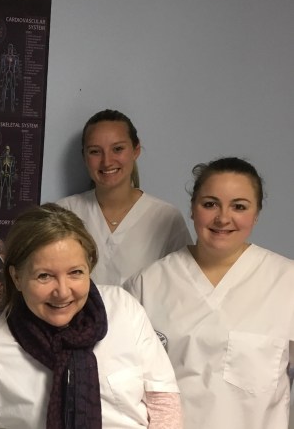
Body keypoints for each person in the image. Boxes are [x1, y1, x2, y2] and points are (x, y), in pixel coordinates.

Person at [0, 203, 183, 429]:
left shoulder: (123, 309)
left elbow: (163, 402)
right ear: (17, 277)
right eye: (44, 276)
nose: (62, 292)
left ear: (89, 267)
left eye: (75, 272)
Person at [125, 157, 294, 429]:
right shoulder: (146, 285)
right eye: (210, 204)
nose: (223, 218)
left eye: (239, 206)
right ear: (193, 209)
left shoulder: (287, 281)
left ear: (256, 214)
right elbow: (125, 383)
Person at [57, 109, 191, 285]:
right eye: (95, 151)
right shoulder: (63, 213)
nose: (107, 161)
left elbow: (182, 285)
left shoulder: (166, 218)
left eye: (118, 149)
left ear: (136, 150)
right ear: (84, 157)